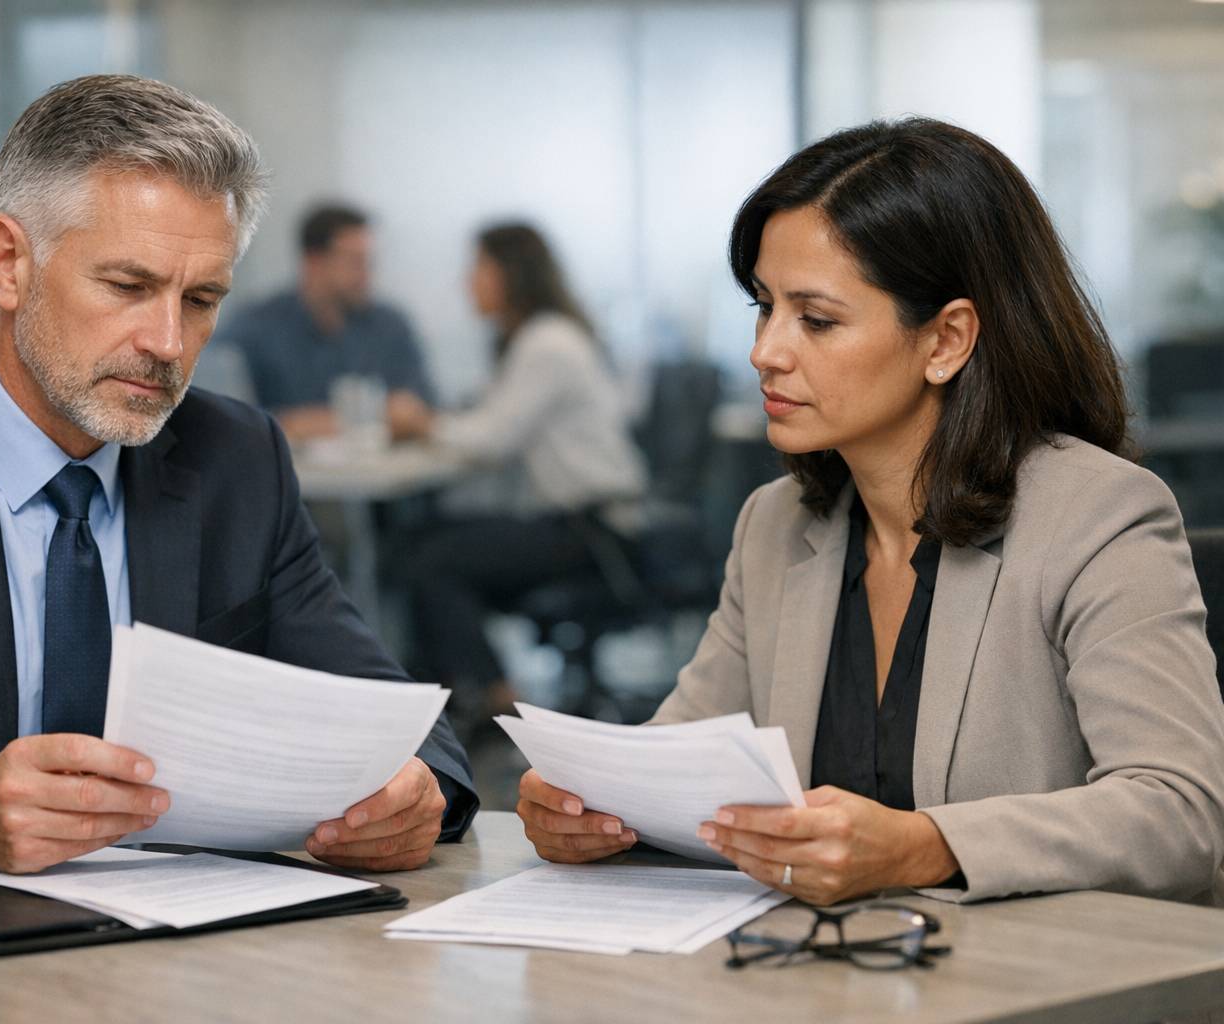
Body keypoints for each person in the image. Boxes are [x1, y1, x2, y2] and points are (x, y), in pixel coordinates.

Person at [0, 74, 476, 875]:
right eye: (129, 286)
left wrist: (417, 791)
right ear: (8, 263)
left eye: (201, 298)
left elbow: (394, 714)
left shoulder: (236, 457)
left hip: (183, 948)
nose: (169, 342)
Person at [516, 117, 1224, 906]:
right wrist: (592, 808)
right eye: (763, 306)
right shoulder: (776, 524)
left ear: (946, 340)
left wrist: (923, 846)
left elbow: (1181, 813)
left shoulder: (1097, 518)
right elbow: (676, 760)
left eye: (815, 319)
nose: (766, 351)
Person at [393, 223, 647, 725]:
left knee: (430, 561)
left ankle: (494, 699)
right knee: (424, 541)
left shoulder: (546, 342)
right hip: (579, 521)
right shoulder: (536, 338)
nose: (469, 283)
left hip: (593, 531)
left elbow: (492, 438)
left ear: (509, 273)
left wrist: (423, 424)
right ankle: (468, 690)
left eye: (478, 268)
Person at [214, 203, 435, 442]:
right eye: (354, 261)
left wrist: (309, 423)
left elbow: (424, 409)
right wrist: (372, 418)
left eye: (369, 262)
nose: (366, 274)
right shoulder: (256, 328)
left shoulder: (390, 325)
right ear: (314, 262)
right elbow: (225, 422)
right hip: (299, 476)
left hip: (393, 475)